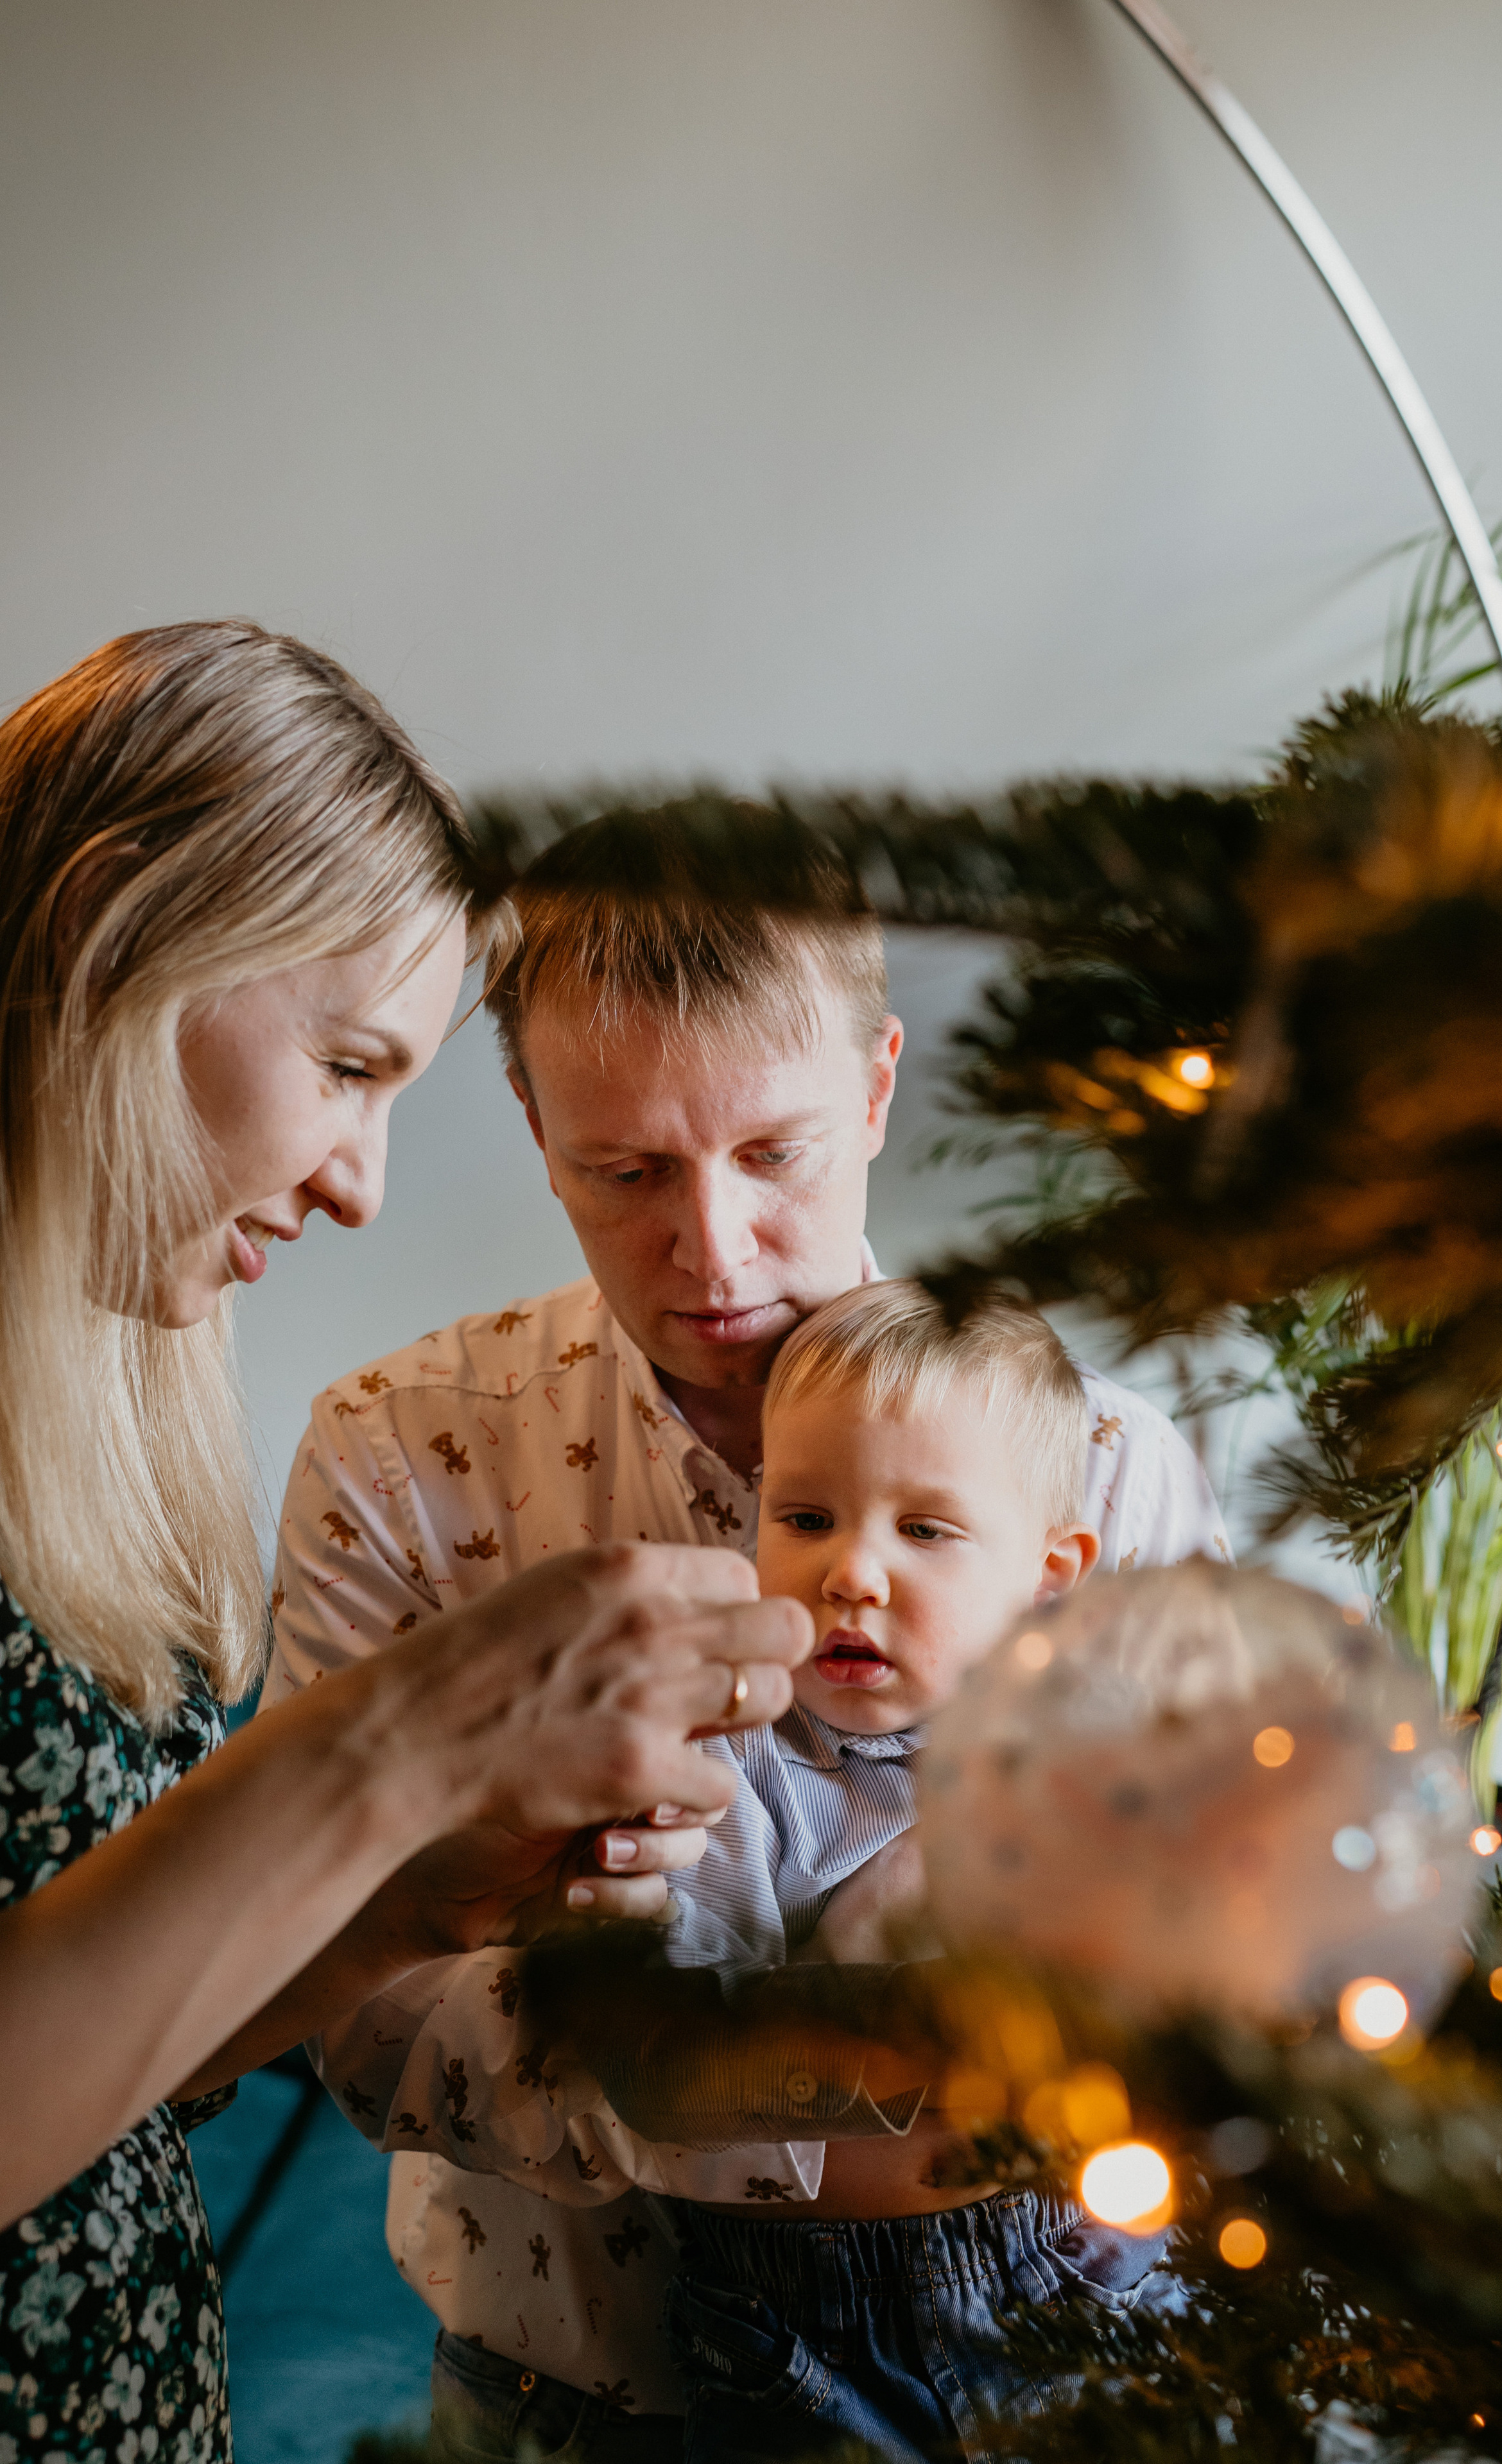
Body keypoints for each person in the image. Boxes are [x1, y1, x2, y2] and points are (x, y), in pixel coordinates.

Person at [267, 814, 1230, 2458]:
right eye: (624, 1170)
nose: (709, 1256)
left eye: (774, 1154)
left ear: (872, 1089)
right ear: (532, 1125)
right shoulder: (394, 1458)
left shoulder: (1114, 1474)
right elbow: (356, 2021)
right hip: (557, 2399)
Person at [0, 626, 807, 2464]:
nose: (362, 1181)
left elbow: (132, 2073)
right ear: (120, 933)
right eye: (350, 1065)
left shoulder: (89, 1417)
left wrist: (414, 1905)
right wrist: (393, 1741)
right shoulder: (402, 1441)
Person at [646, 1279, 1172, 2464]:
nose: (851, 1575)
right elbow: (681, 2059)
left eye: (925, 1531)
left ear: (1052, 1575)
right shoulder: (734, 1756)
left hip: (1081, 2259)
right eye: (806, 1519)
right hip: (805, 2330)